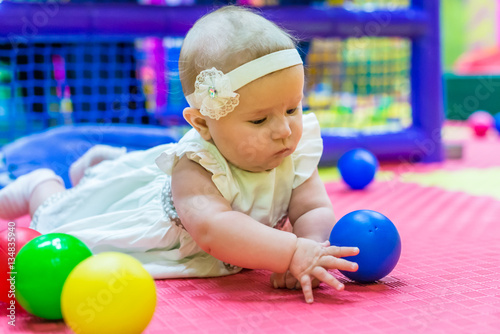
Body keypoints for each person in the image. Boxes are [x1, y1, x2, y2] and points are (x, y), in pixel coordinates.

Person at [0, 6, 358, 303]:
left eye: (293, 109)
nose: (284, 130)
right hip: (159, 232)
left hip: (250, 247)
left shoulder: (293, 149)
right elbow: (214, 229)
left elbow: (312, 207)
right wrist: (290, 252)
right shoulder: (196, 164)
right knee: (54, 215)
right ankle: (38, 184)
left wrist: (311, 247)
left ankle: (106, 164)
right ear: (202, 124)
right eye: (260, 118)